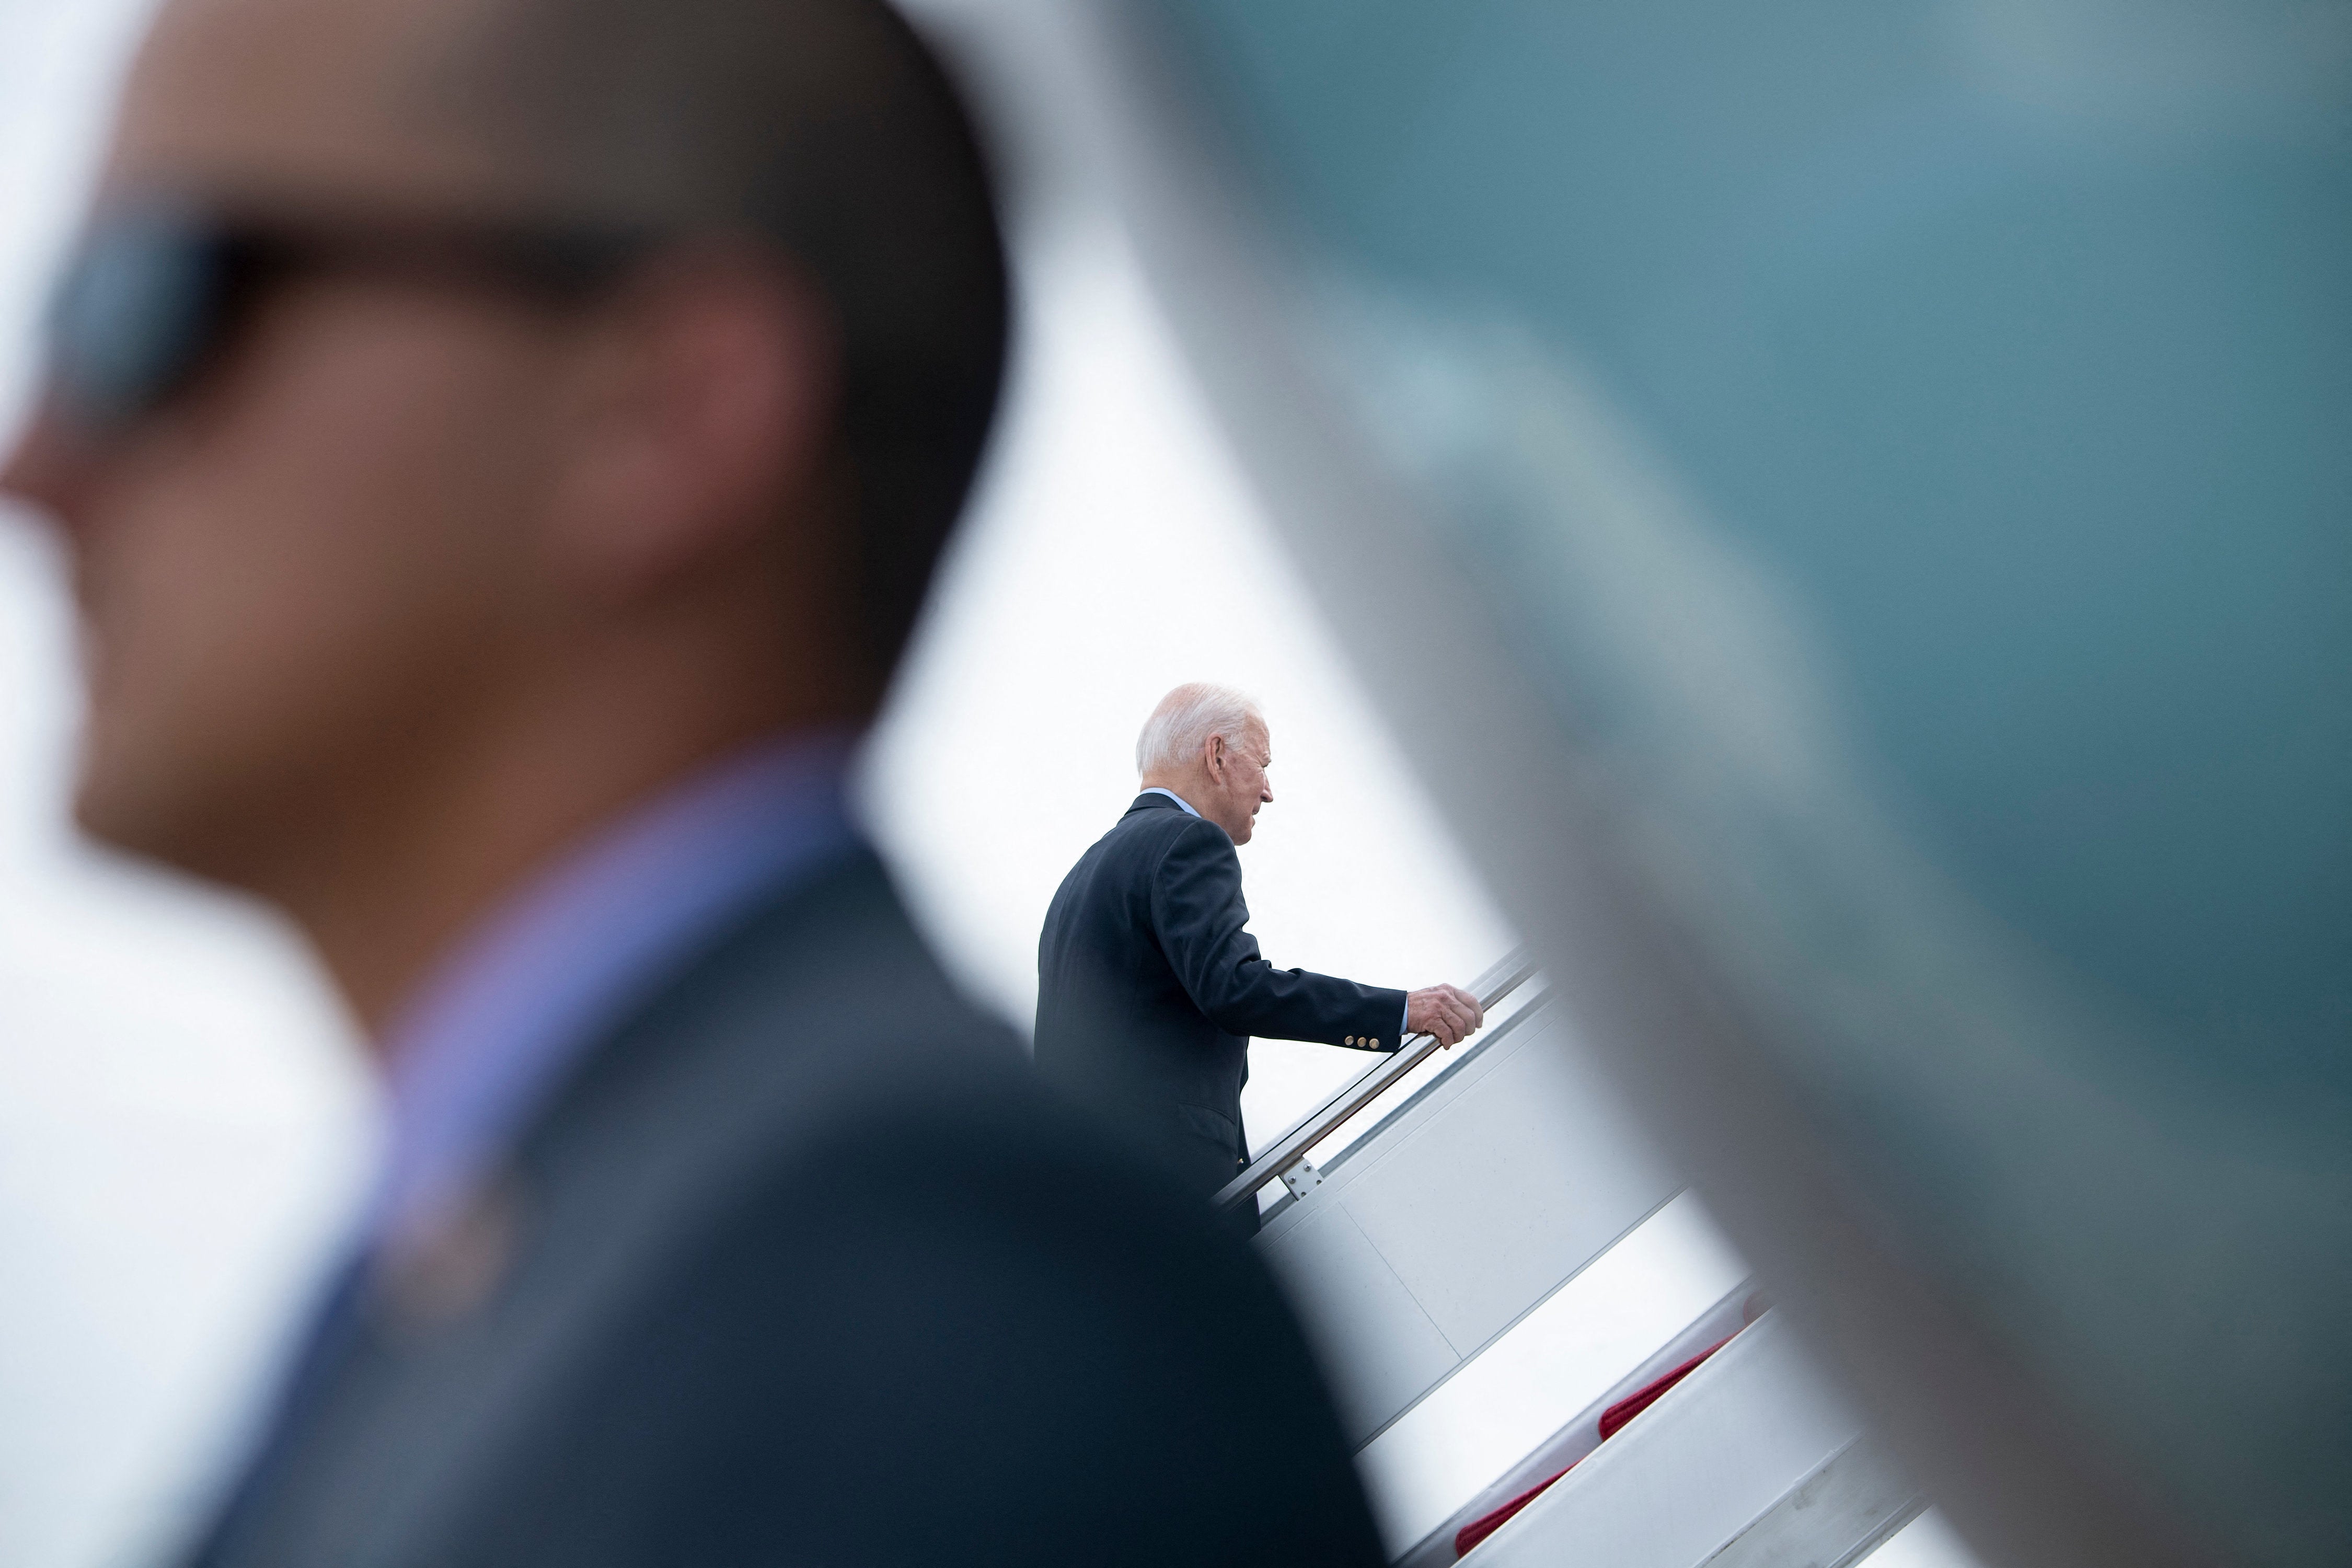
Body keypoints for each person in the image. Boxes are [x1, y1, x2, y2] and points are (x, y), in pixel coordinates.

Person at [0, 1, 1389, 1564]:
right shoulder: (637, 1293)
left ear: (666, 406)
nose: (34, 461)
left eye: (151, 304)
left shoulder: (909, 1302)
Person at [1035, 683, 1484, 1228]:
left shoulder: (1080, 879)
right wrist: (1402, 1010)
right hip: (1171, 1191)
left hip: (1084, 1194)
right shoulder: (1188, 842)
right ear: (1217, 756)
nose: (1269, 792)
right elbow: (1236, 988)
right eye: (1264, 765)